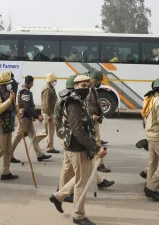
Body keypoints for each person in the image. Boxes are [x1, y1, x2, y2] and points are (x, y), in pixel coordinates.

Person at [49, 75, 107, 225]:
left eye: (87, 85)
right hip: (77, 147)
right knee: (82, 182)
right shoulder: (73, 102)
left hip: (73, 145)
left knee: (78, 175)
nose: (85, 88)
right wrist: (96, 148)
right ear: (75, 86)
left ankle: (59, 196)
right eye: (82, 85)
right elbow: (77, 131)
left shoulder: (81, 99)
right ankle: (78, 216)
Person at [11, 75, 52, 162]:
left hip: (28, 118)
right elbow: (26, 107)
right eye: (33, 82)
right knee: (18, 137)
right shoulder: (25, 92)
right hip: (24, 118)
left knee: (33, 136)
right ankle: (9, 155)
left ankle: (39, 154)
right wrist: (37, 116)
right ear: (31, 83)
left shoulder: (24, 90)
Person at [86, 69, 110, 173]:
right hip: (92, 121)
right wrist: (92, 116)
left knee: (95, 142)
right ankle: (99, 164)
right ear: (94, 79)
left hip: (94, 120)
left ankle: (95, 163)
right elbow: (87, 106)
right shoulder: (88, 90)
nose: (100, 82)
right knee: (97, 143)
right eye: (99, 80)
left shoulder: (92, 89)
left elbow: (94, 103)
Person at [35, 73, 60, 154]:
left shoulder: (50, 87)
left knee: (49, 131)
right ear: (51, 80)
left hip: (51, 112)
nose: (56, 82)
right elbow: (46, 103)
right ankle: (49, 147)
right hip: (48, 112)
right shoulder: (47, 89)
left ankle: (37, 141)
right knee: (49, 131)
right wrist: (49, 115)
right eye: (55, 80)